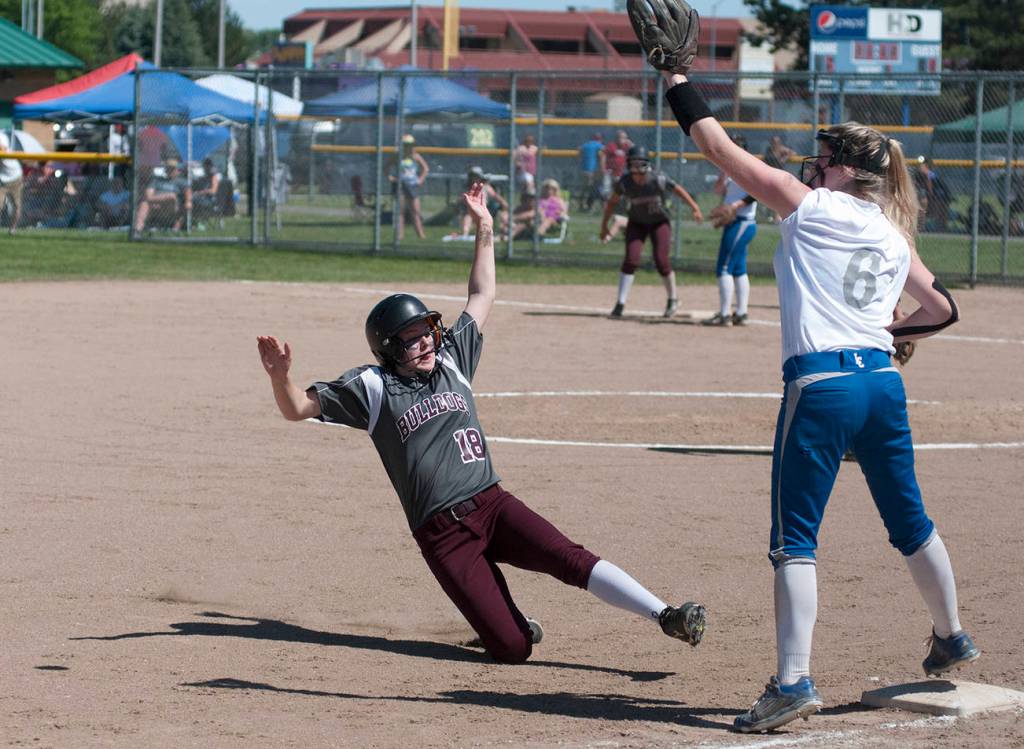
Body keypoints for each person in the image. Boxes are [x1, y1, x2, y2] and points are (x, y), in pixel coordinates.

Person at [653, 29, 976, 734]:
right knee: (909, 521)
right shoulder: (894, 233)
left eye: (822, 159)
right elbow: (943, 309)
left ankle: (793, 680)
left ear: (839, 171)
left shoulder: (808, 204)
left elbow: (715, 147)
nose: (813, 164)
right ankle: (951, 632)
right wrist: (893, 335)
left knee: (794, 539)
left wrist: (676, 78)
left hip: (822, 384)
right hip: (881, 386)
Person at [256, 183, 707, 665]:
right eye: (410, 340)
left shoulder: (453, 360)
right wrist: (281, 378)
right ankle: (508, 622)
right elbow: (296, 409)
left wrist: (485, 228)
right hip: (442, 534)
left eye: (427, 332)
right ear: (388, 349)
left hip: (493, 504)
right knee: (512, 650)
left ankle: (665, 615)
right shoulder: (372, 387)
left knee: (571, 559)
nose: (426, 343)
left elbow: (482, 292)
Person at [599, 145, 703, 319]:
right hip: (637, 222)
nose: (637, 168)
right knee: (631, 260)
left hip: (658, 222)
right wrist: (604, 225)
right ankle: (620, 303)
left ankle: (672, 299)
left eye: (641, 163)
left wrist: (694, 207)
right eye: (634, 163)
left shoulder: (657, 179)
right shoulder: (625, 182)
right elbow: (611, 203)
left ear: (647, 164)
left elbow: (677, 189)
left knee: (661, 260)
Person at [703, 135, 757, 326]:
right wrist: (724, 172)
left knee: (724, 267)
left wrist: (734, 206)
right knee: (738, 268)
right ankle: (741, 313)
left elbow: (755, 193)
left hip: (742, 222)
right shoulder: (729, 169)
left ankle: (725, 314)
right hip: (734, 223)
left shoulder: (749, 167)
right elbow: (718, 191)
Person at [388, 134, 429, 241]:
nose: (408, 147)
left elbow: (425, 168)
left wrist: (420, 180)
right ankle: (399, 236)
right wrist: (390, 177)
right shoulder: (397, 156)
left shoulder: (416, 156)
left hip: (412, 186)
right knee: (400, 212)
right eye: (406, 145)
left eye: (410, 145)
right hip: (400, 185)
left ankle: (421, 235)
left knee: (415, 211)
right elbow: (386, 166)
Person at [134, 159, 191, 233]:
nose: (170, 170)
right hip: (156, 207)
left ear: (177, 170)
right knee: (144, 204)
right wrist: (159, 198)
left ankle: (175, 228)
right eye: (168, 168)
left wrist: (188, 202)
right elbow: (148, 195)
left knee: (171, 197)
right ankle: (137, 230)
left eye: (172, 169)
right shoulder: (157, 180)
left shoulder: (182, 182)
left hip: (172, 208)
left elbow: (188, 193)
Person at [451, 167, 508, 238]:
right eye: (472, 176)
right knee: (468, 216)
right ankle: (465, 234)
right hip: (471, 210)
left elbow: (497, 197)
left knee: (502, 214)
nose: (473, 178)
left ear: (480, 177)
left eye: (475, 176)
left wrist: (504, 204)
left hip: (485, 210)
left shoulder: (486, 187)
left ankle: (503, 233)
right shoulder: (467, 188)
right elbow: (460, 199)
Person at [762, 136, 794, 223]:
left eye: (776, 142)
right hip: (769, 173)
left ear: (779, 142)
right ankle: (769, 215)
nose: (774, 143)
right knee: (768, 195)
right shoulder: (769, 149)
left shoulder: (781, 149)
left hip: (778, 174)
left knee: (777, 195)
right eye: (773, 141)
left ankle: (777, 216)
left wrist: (784, 158)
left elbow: (792, 153)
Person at [0, 132, 24, 234]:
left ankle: (13, 229)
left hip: (16, 178)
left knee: (17, 206)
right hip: (3, 180)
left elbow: (3, 149)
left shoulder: (2, 136)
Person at [578, 133, 606, 212]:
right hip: (592, 171)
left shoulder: (586, 145)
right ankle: (589, 206)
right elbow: (603, 151)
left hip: (583, 170)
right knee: (593, 189)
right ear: (599, 140)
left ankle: (581, 205)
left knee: (584, 189)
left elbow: (579, 149)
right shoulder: (598, 145)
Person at [192, 158, 222, 222]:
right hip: (201, 198)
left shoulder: (214, 177)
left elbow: (213, 191)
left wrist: (202, 192)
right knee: (190, 198)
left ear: (211, 167)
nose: (206, 168)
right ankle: (192, 222)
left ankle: (199, 222)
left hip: (210, 200)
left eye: (208, 166)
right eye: (205, 166)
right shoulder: (202, 178)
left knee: (193, 199)